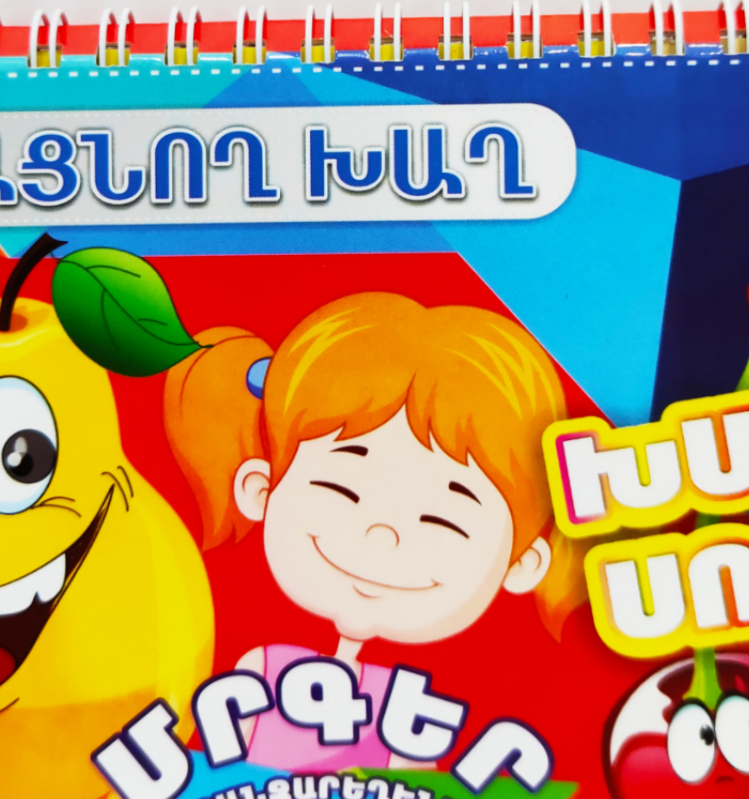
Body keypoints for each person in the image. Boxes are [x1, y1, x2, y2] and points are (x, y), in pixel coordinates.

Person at [163, 291, 585, 772]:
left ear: (523, 561)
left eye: (441, 522)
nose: (382, 536)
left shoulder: (415, 718)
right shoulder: (256, 677)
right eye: (339, 490)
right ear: (261, 489)